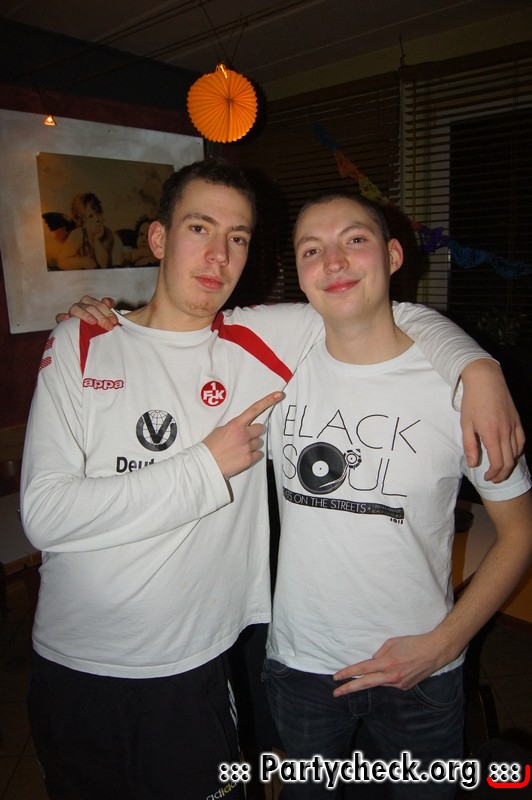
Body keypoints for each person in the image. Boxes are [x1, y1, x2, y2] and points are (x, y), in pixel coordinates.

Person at [29, 159, 523, 800]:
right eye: (199, 228)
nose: (218, 255)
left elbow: (381, 308)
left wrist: (477, 365)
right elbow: (44, 515)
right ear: (157, 238)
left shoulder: (262, 342)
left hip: (205, 663)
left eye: (237, 238)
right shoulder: (85, 340)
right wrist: (206, 464)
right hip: (100, 664)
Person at [264, 191, 532, 799]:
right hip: (303, 666)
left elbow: (520, 533)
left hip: (422, 668)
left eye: (354, 240)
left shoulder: (458, 386)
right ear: (298, 273)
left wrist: (443, 644)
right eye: (312, 250)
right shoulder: (275, 369)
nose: (333, 262)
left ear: (392, 255)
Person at [57, 191, 115, 270]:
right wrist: (83, 262)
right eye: (91, 216)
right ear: (82, 222)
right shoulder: (77, 234)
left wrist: (96, 239)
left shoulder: (107, 233)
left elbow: (104, 265)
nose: (97, 219)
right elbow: (61, 262)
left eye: (98, 213)